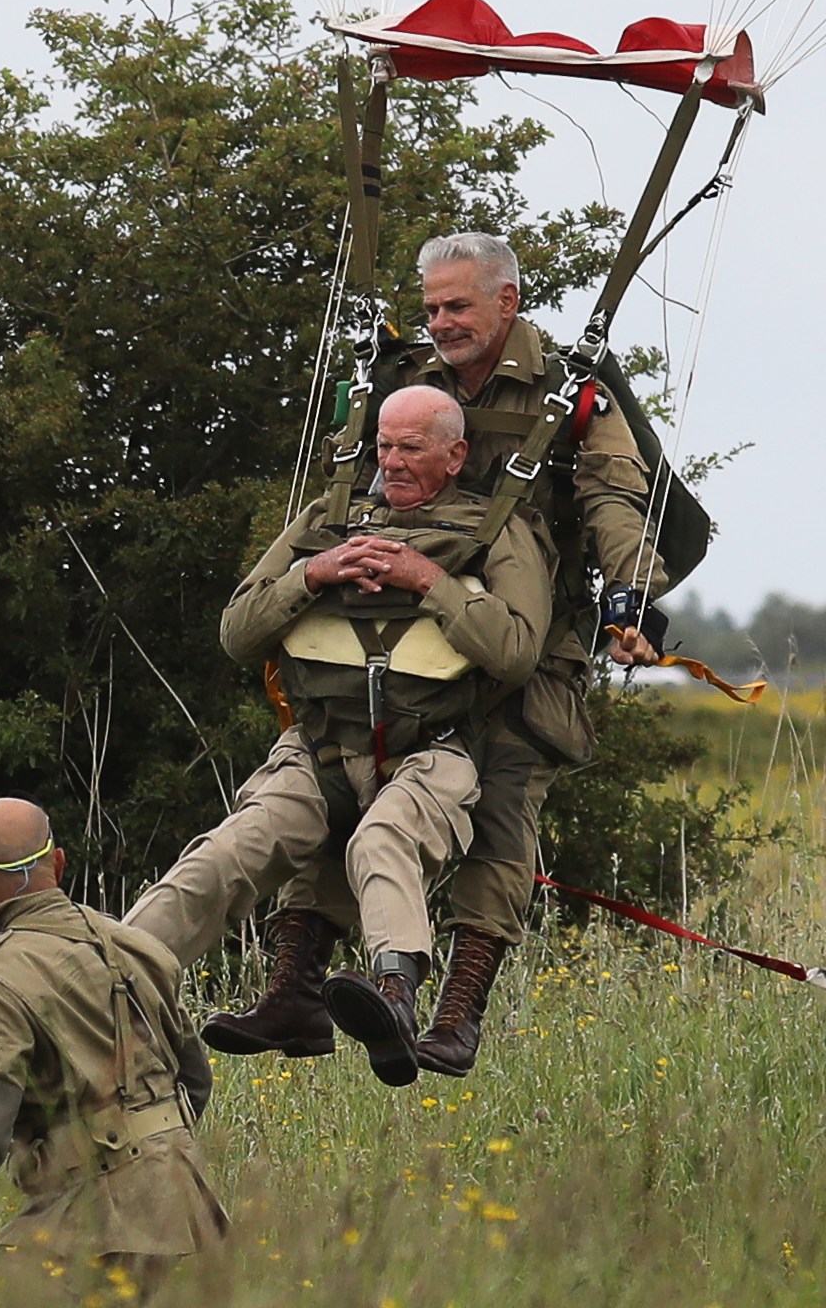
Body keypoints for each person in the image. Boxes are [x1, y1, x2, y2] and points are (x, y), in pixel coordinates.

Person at [244, 230, 687, 1079]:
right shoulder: (402, 384)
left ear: (506, 302)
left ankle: (455, 1017)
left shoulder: (571, 395)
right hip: (406, 632)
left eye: (457, 306)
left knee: (505, 798)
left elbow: (614, 501)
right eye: (432, 307)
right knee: (338, 772)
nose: (441, 322)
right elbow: (352, 485)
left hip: (524, 635)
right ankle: (293, 991)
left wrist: (633, 599)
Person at [124, 385, 554, 1085]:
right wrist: (314, 574)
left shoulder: (496, 529)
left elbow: (514, 653)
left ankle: (392, 995)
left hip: (431, 747)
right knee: (231, 848)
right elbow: (237, 633)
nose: (392, 461)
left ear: (455, 456)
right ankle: (108, 976)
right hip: (319, 745)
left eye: (410, 447)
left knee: (382, 842)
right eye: (383, 445)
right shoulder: (325, 520)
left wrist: (429, 582)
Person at [0, 798, 226, 1303]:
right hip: (186, 1201)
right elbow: (195, 1081)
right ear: (58, 863)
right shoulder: (136, 946)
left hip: (95, 1214)